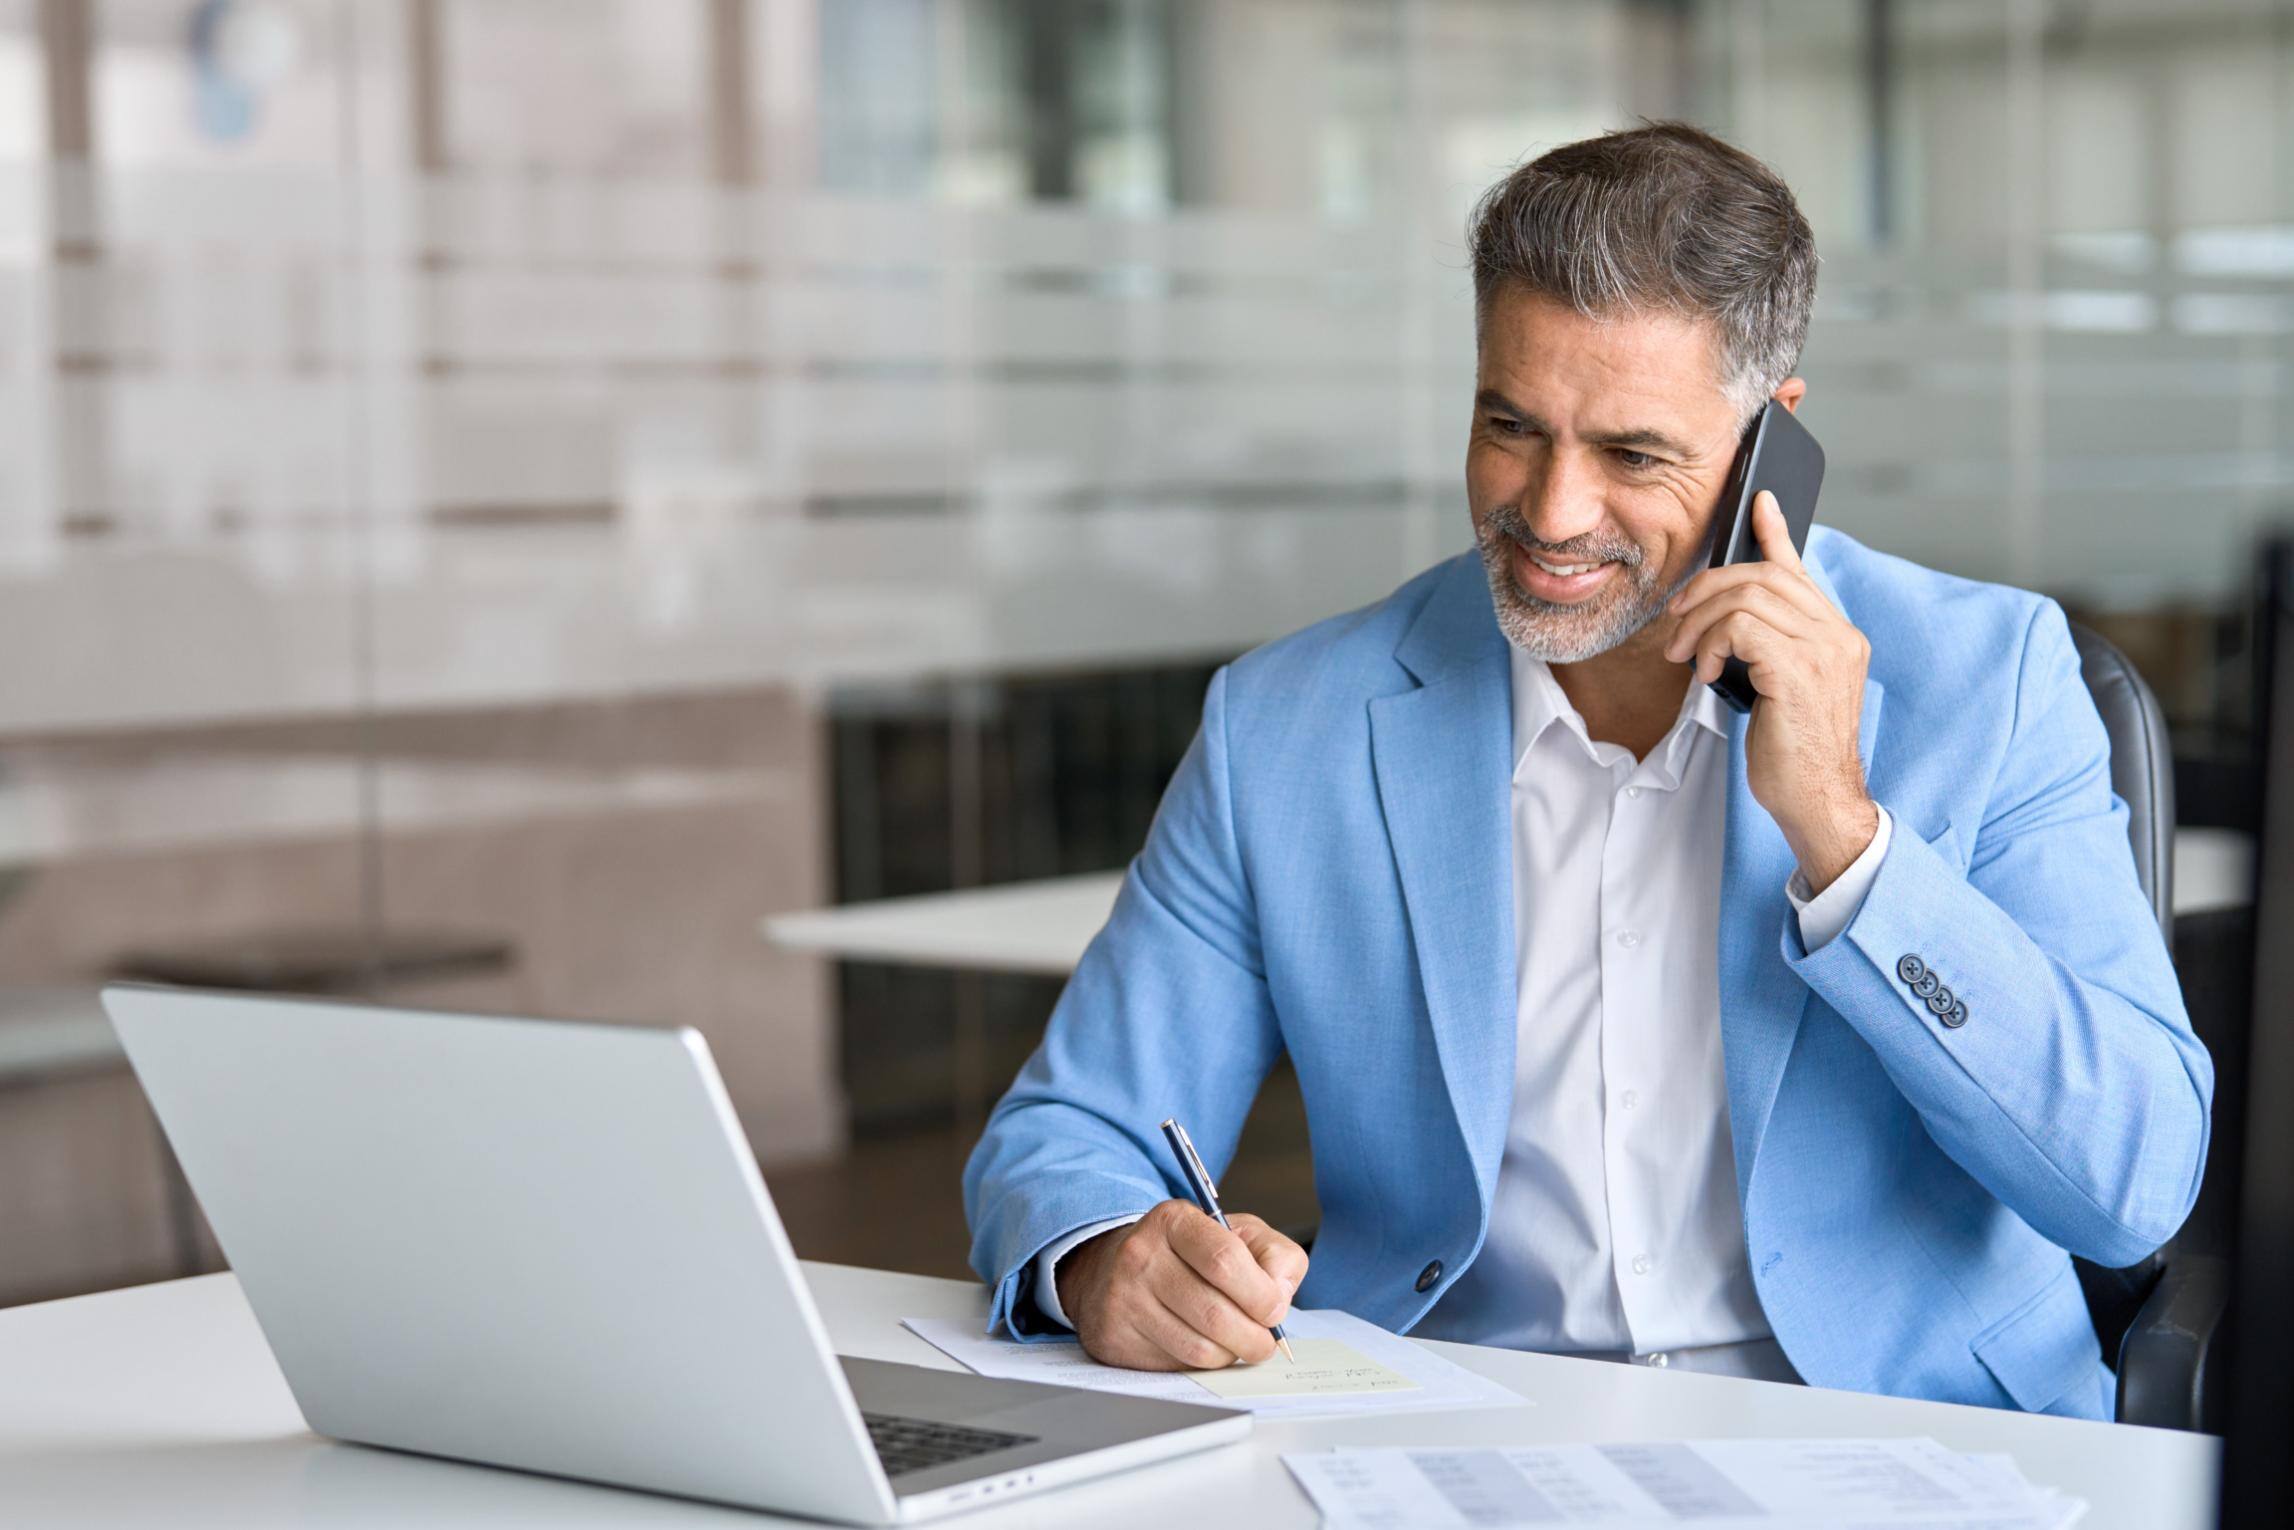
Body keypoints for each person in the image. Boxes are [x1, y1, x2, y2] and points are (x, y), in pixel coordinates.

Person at [961, 123, 2211, 1418]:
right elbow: (1067, 1133)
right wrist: (1105, 1254)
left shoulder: (1985, 679)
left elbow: (2129, 1185)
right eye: (1510, 424)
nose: (1550, 511)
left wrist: (1848, 844)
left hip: (1905, 1435)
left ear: (1767, 443)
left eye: (1631, 453)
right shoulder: (1289, 722)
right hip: (1448, 1438)